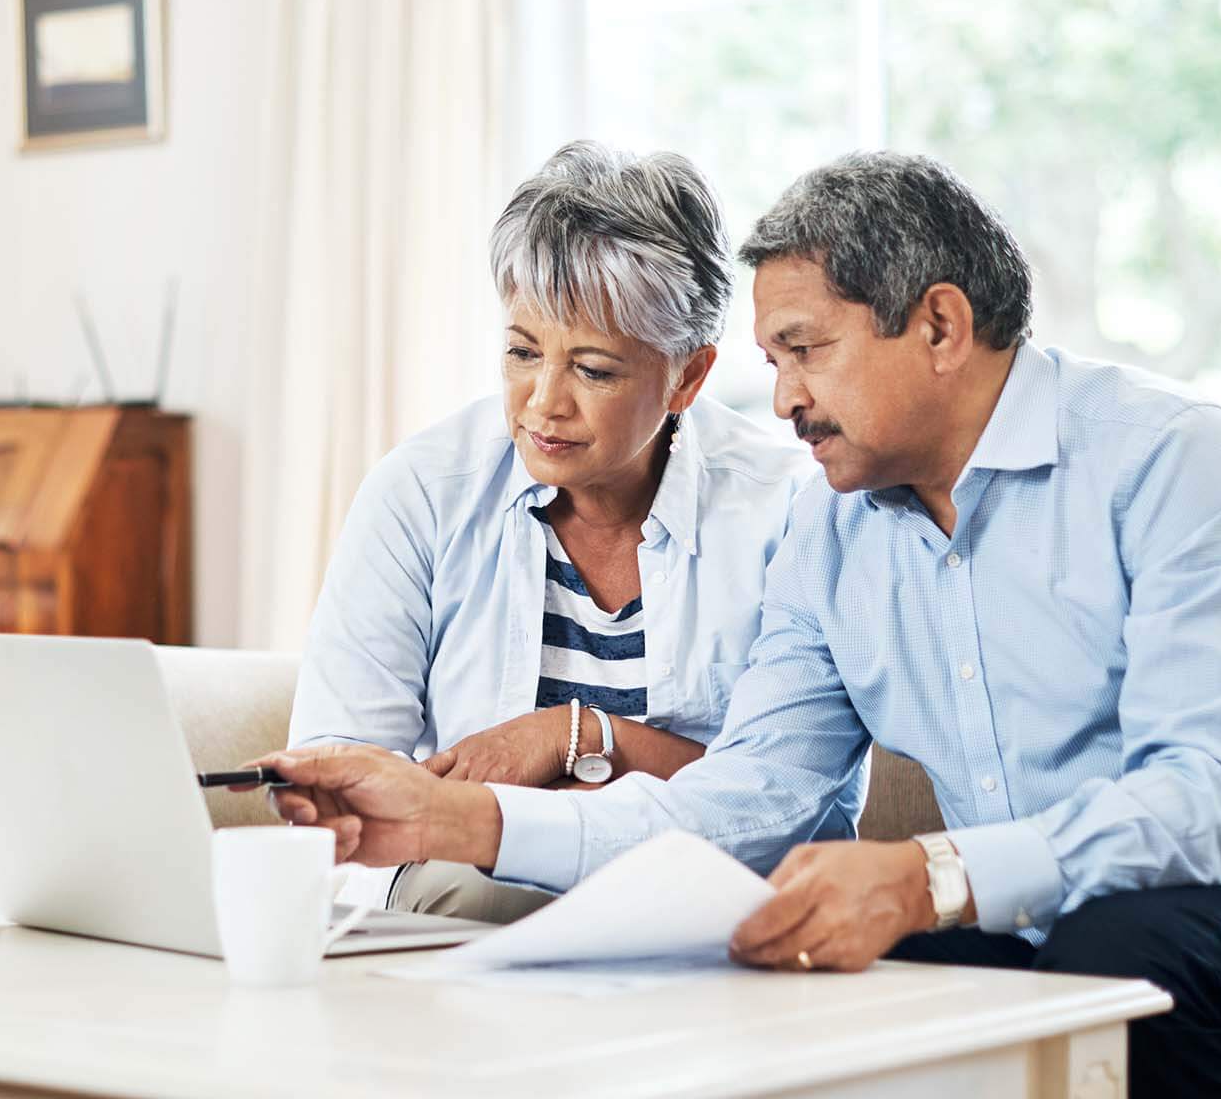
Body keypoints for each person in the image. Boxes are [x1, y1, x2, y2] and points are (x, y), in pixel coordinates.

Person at [257, 152, 1221, 1097]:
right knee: (803, 998)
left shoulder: (1172, 462)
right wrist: (456, 815)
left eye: (804, 353)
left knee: (1127, 968)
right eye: (773, 360)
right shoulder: (825, 531)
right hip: (1046, 906)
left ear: (936, 327)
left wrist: (926, 878)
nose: (779, 400)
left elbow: (1210, 808)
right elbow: (747, 802)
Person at [286, 141, 834, 923]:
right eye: (521, 352)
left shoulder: (787, 513)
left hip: (696, 906)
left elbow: (787, 803)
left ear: (687, 376)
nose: (543, 403)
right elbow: (339, 766)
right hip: (463, 904)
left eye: (594, 370)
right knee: (469, 891)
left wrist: (576, 735)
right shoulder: (422, 491)